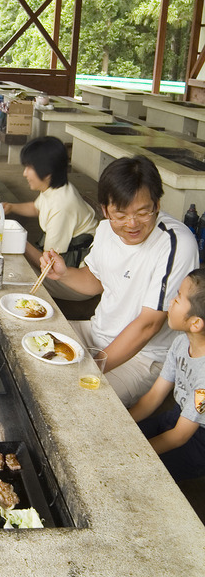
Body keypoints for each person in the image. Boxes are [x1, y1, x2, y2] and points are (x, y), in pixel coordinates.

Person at [40, 155, 199, 407]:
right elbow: (95, 281)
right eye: (121, 214)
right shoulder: (105, 230)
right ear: (105, 210)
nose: (132, 224)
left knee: (75, 401)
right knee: (31, 343)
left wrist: (90, 365)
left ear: (157, 204)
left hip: (142, 357)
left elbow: (149, 325)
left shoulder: (175, 244)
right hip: (95, 333)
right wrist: (64, 273)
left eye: (143, 212)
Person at [129, 268, 205, 481]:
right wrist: (122, 426)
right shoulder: (182, 342)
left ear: (196, 323)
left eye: (179, 297)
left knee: (138, 472)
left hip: (197, 441)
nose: (171, 301)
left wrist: (132, 453)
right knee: (119, 439)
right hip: (175, 416)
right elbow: (154, 397)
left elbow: (180, 436)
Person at [2, 136, 97, 268]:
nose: (25, 173)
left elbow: (48, 263)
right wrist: (10, 207)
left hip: (74, 265)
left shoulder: (62, 205)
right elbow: (36, 208)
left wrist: (19, 240)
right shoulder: (54, 188)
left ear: (47, 173)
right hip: (58, 255)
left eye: (30, 168)